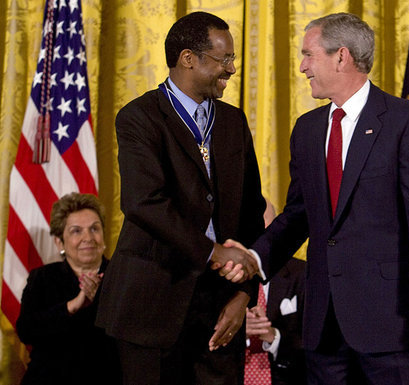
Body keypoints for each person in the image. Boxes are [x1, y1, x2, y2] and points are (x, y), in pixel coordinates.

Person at [222, 12, 409, 385]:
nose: (302, 67)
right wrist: (254, 258)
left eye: (309, 55)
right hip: (324, 329)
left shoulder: (408, 122)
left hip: (392, 328)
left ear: (341, 56)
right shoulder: (308, 130)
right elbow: (300, 214)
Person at [95, 11, 266, 385]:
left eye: (233, 59)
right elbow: (144, 203)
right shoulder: (139, 117)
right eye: (225, 60)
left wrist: (243, 295)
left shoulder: (234, 122)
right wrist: (215, 252)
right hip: (150, 308)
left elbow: (252, 212)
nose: (232, 69)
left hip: (219, 312)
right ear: (189, 58)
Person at [16, 192, 121, 385]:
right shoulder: (43, 278)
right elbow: (26, 330)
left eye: (94, 229)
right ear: (59, 242)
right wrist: (72, 306)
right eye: (76, 231)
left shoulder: (121, 277)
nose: (88, 237)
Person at [244, 201, 306, 385]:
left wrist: (273, 337)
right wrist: (235, 333)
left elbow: (319, 347)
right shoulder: (222, 275)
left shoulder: (303, 274)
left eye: (266, 226)